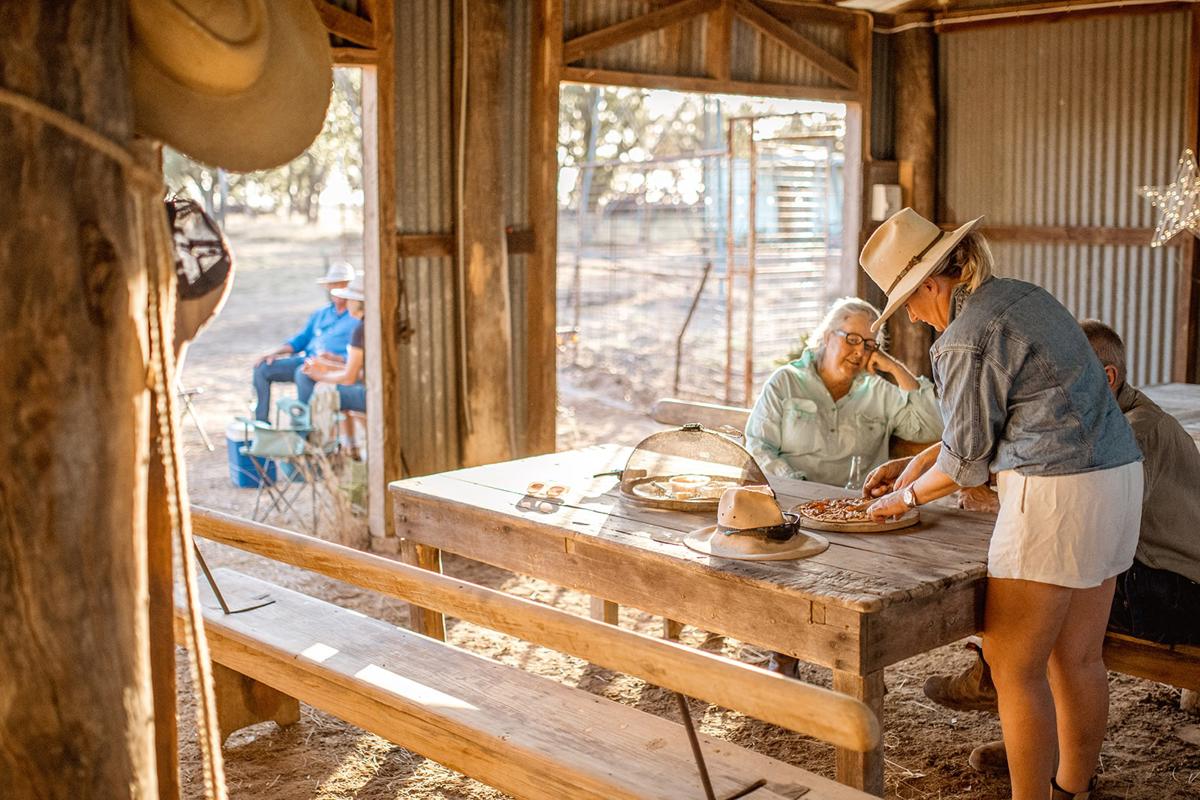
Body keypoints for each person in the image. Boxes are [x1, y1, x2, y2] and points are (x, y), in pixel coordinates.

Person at [859, 208, 1143, 800]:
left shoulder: (960, 339)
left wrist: (906, 497)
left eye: (910, 300)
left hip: (1055, 493)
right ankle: (1072, 788)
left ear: (931, 285)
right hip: (1115, 475)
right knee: (1080, 658)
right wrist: (918, 465)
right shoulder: (1023, 297)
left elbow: (966, 462)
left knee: (1014, 669)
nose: (912, 313)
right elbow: (1005, 421)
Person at [923, 319, 1200, 774]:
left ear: (1107, 378)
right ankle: (1025, 722)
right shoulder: (1093, 426)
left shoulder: (1135, 431)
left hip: (1177, 592)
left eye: (1068, 375)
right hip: (1148, 572)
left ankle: (1009, 701)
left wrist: (994, 498)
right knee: (1046, 576)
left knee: (1039, 594)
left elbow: (1093, 516)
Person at [744, 296, 943, 489]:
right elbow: (758, 446)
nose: (859, 352)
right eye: (852, 339)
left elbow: (933, 427)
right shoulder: (786, 382)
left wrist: (894, 368)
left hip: (857, 509)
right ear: (828, 336)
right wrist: (795, 484)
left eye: (868, 344)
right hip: (792, 501)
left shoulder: (880, 392)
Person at [251, 262, 360, 422]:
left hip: (331, 365)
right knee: (262, 368)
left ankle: (306, 426)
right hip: (308, 358)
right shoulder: (321, 313)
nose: (336, 289)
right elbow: (300, 340)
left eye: (341, 284)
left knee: (303, 371)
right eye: (333, 284)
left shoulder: (355, 318)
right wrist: (274, 353)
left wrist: (336, 358)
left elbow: (356, 356)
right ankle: (261, 423)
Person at [298, 276, 366, 415]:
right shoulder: (369, 323)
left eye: (349, 299)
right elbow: (362, 373)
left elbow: (349, 378)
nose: (347, 303)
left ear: (357, 302)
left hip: (371, 393)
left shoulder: (361, 329)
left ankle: (310, 432)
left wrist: (320, 375)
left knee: (321, 389)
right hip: (374, 385)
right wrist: (327, 367)